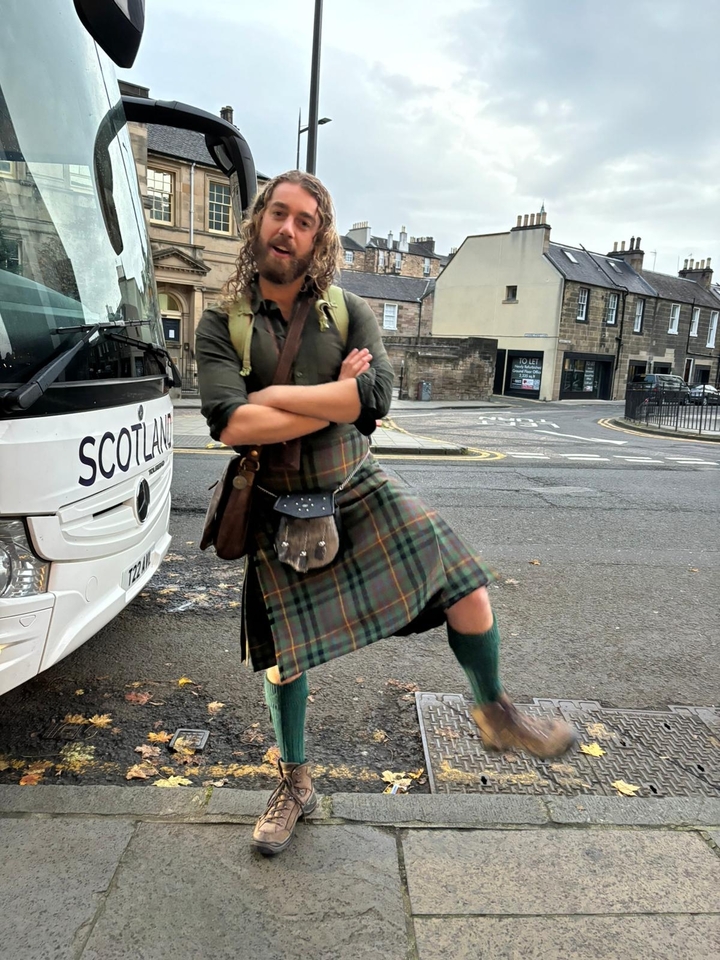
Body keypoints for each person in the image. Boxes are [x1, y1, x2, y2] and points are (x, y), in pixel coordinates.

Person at [195, 170, 577, 857]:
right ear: (258, 223)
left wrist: (286, 402)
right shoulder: (222, 320)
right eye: (278, 214)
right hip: (279, 502)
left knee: (469, 589)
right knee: (283, 662)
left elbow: (375, 399)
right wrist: (328, 396)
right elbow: (229, 423)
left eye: (305, 220)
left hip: (356, 484)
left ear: (320, 237)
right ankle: (294, 783)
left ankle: (495, 713)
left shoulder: (347, 309)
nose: (288, 229)